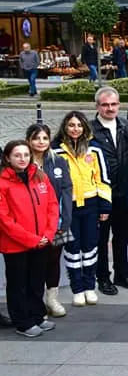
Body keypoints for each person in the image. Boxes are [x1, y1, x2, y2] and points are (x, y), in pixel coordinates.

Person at [0, 140, 58, 337]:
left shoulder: (40, 177)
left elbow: (52, 205)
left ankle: (37, 315)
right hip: (16, 244)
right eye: (17, 155)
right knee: (19, 284)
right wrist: (31, 239)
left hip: (41, 241)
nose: (22, 159)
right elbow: (4, 219)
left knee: (36, 281)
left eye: (25, 154)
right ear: (7, 158)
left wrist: (47, 234)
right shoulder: (2, 182)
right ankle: (22, 321)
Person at [52, 111, 111, 307]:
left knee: (90, 246)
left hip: (91, 204)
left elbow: (103, 179)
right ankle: (77, 288)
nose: (75, 129)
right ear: (65, 127)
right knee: (72, 248)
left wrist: (104, 205)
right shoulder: (56, 151)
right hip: (68, 208)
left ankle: (89, 287)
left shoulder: (94, 150)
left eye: (79, 125)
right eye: (71, 125)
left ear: (85, 127)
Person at [91, 86, 128, 295]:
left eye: (114, 104)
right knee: (102, 239)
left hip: (123, 191)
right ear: (97, 106)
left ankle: (122, 273)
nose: (110, 108)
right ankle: (103, 277)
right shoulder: (89, 130)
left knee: (121, 236)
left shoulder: (126, 125)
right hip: (101, 193)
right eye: (105, 105)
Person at [26, 123, 72, 319]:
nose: (41, 142)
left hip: (58, 221)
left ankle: (52, 298)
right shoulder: (22, 162)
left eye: (45, 138)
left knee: (53, 261)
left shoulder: (59, 161)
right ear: (29, 140)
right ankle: (35, 303)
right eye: (37, 138)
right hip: (32, 224)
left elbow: (67, 190)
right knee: (35, 263)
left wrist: (66, 221)